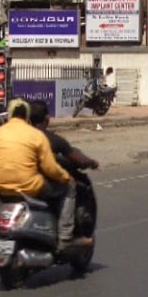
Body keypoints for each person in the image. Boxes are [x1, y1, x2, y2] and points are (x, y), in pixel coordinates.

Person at [0, 98, 77, 241]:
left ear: (8, 114)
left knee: (0, 192)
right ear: (27, 116)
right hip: (29, 186)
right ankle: (64, 235)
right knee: (69, 188)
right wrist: (65, 177)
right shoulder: (36, 136)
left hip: (2, 185)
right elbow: (50, 168)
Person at [29, 100, 98, 245]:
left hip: (19, 181)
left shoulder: (22, 136)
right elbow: (79, 159)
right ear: (47, 118)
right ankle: (65, 236)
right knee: (69, 188)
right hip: (38, 183)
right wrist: (92, 162)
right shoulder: (52, 139)